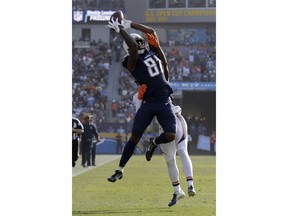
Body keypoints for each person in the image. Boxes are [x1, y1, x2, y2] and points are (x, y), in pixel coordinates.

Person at [107, 18, 176, 182]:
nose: (138, 43)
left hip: (164, 100)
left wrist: (130, 24)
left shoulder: (150, 52)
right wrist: (121, 30)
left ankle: (153, 142)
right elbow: (131, 46)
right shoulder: (130, 61)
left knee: (170, 135)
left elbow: (151, 32)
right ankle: (120, 169)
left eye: (139, 41)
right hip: (148, 102)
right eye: (136, 41)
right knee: (134, 138)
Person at [133, 89, 196, 207]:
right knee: (170, 160)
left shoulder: (158, 83)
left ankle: (190, 184)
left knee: (181, 151)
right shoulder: (140, 94)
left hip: (175, 118)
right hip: (164, 126)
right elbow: (141, 115)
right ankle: (178, 191)